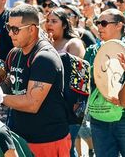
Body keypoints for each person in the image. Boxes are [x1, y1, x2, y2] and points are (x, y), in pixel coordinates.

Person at [3, 4, 70, 156]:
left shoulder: (44, 57)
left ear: (32, 29)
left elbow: (32, 103)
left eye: (16, 29)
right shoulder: (14, 54)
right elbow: (8, 84)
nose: (10, 34)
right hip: (20, 138)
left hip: (48, 140)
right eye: (8, 27)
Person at [86, 9, 125, 157]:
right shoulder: (92, 51)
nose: (99, 27)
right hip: (99, 116)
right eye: (97, 23)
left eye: (103, 23)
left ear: (119, 25)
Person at [45, 8, 85, 156]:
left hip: (70, 105)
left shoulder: (73, 43)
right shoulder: (45, 43)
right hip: (51, 105)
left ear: (64, 25)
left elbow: (76, 75)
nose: (49, 24)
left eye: (54, 21)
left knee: (67, 147)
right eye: (47, 21)